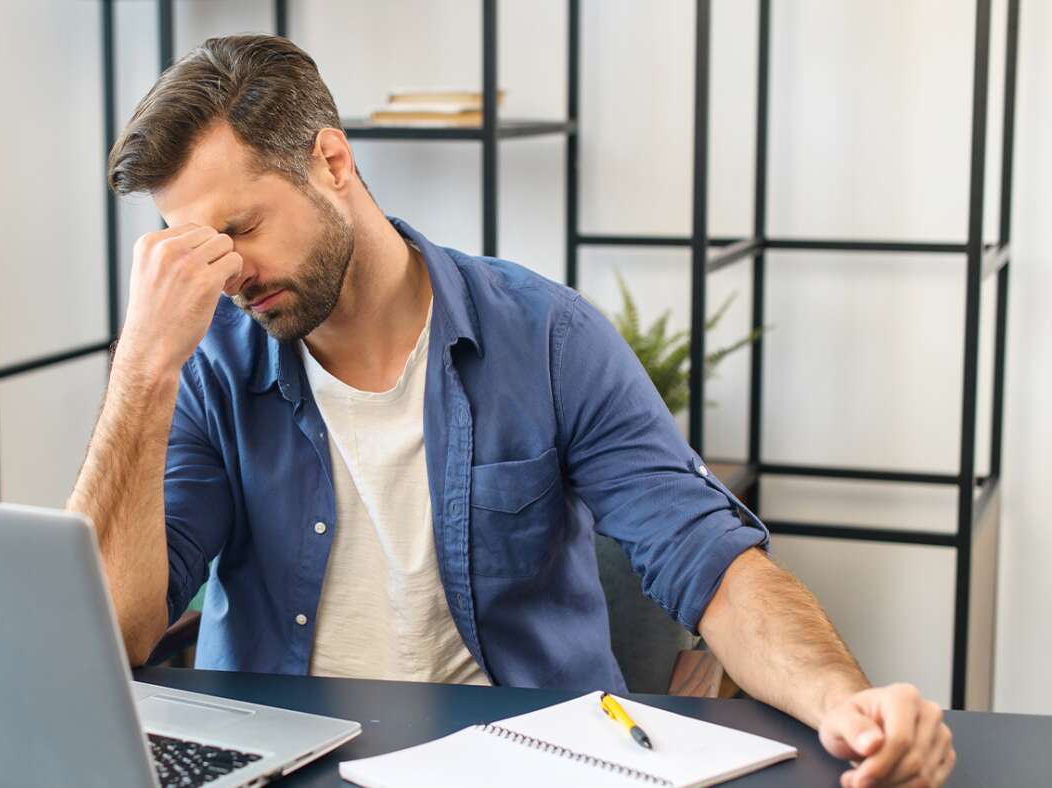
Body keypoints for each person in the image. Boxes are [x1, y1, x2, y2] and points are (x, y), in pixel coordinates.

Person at [67, 33, 954, 788]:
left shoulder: (547, 340)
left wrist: (847, 704)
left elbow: (710, 562)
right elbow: (114, 633)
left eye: (242, 229)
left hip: (518, 763)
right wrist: (142, 371)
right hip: (286, 769)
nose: (228, 272)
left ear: (332, 162)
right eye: (195, 244)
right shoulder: (210, 362)